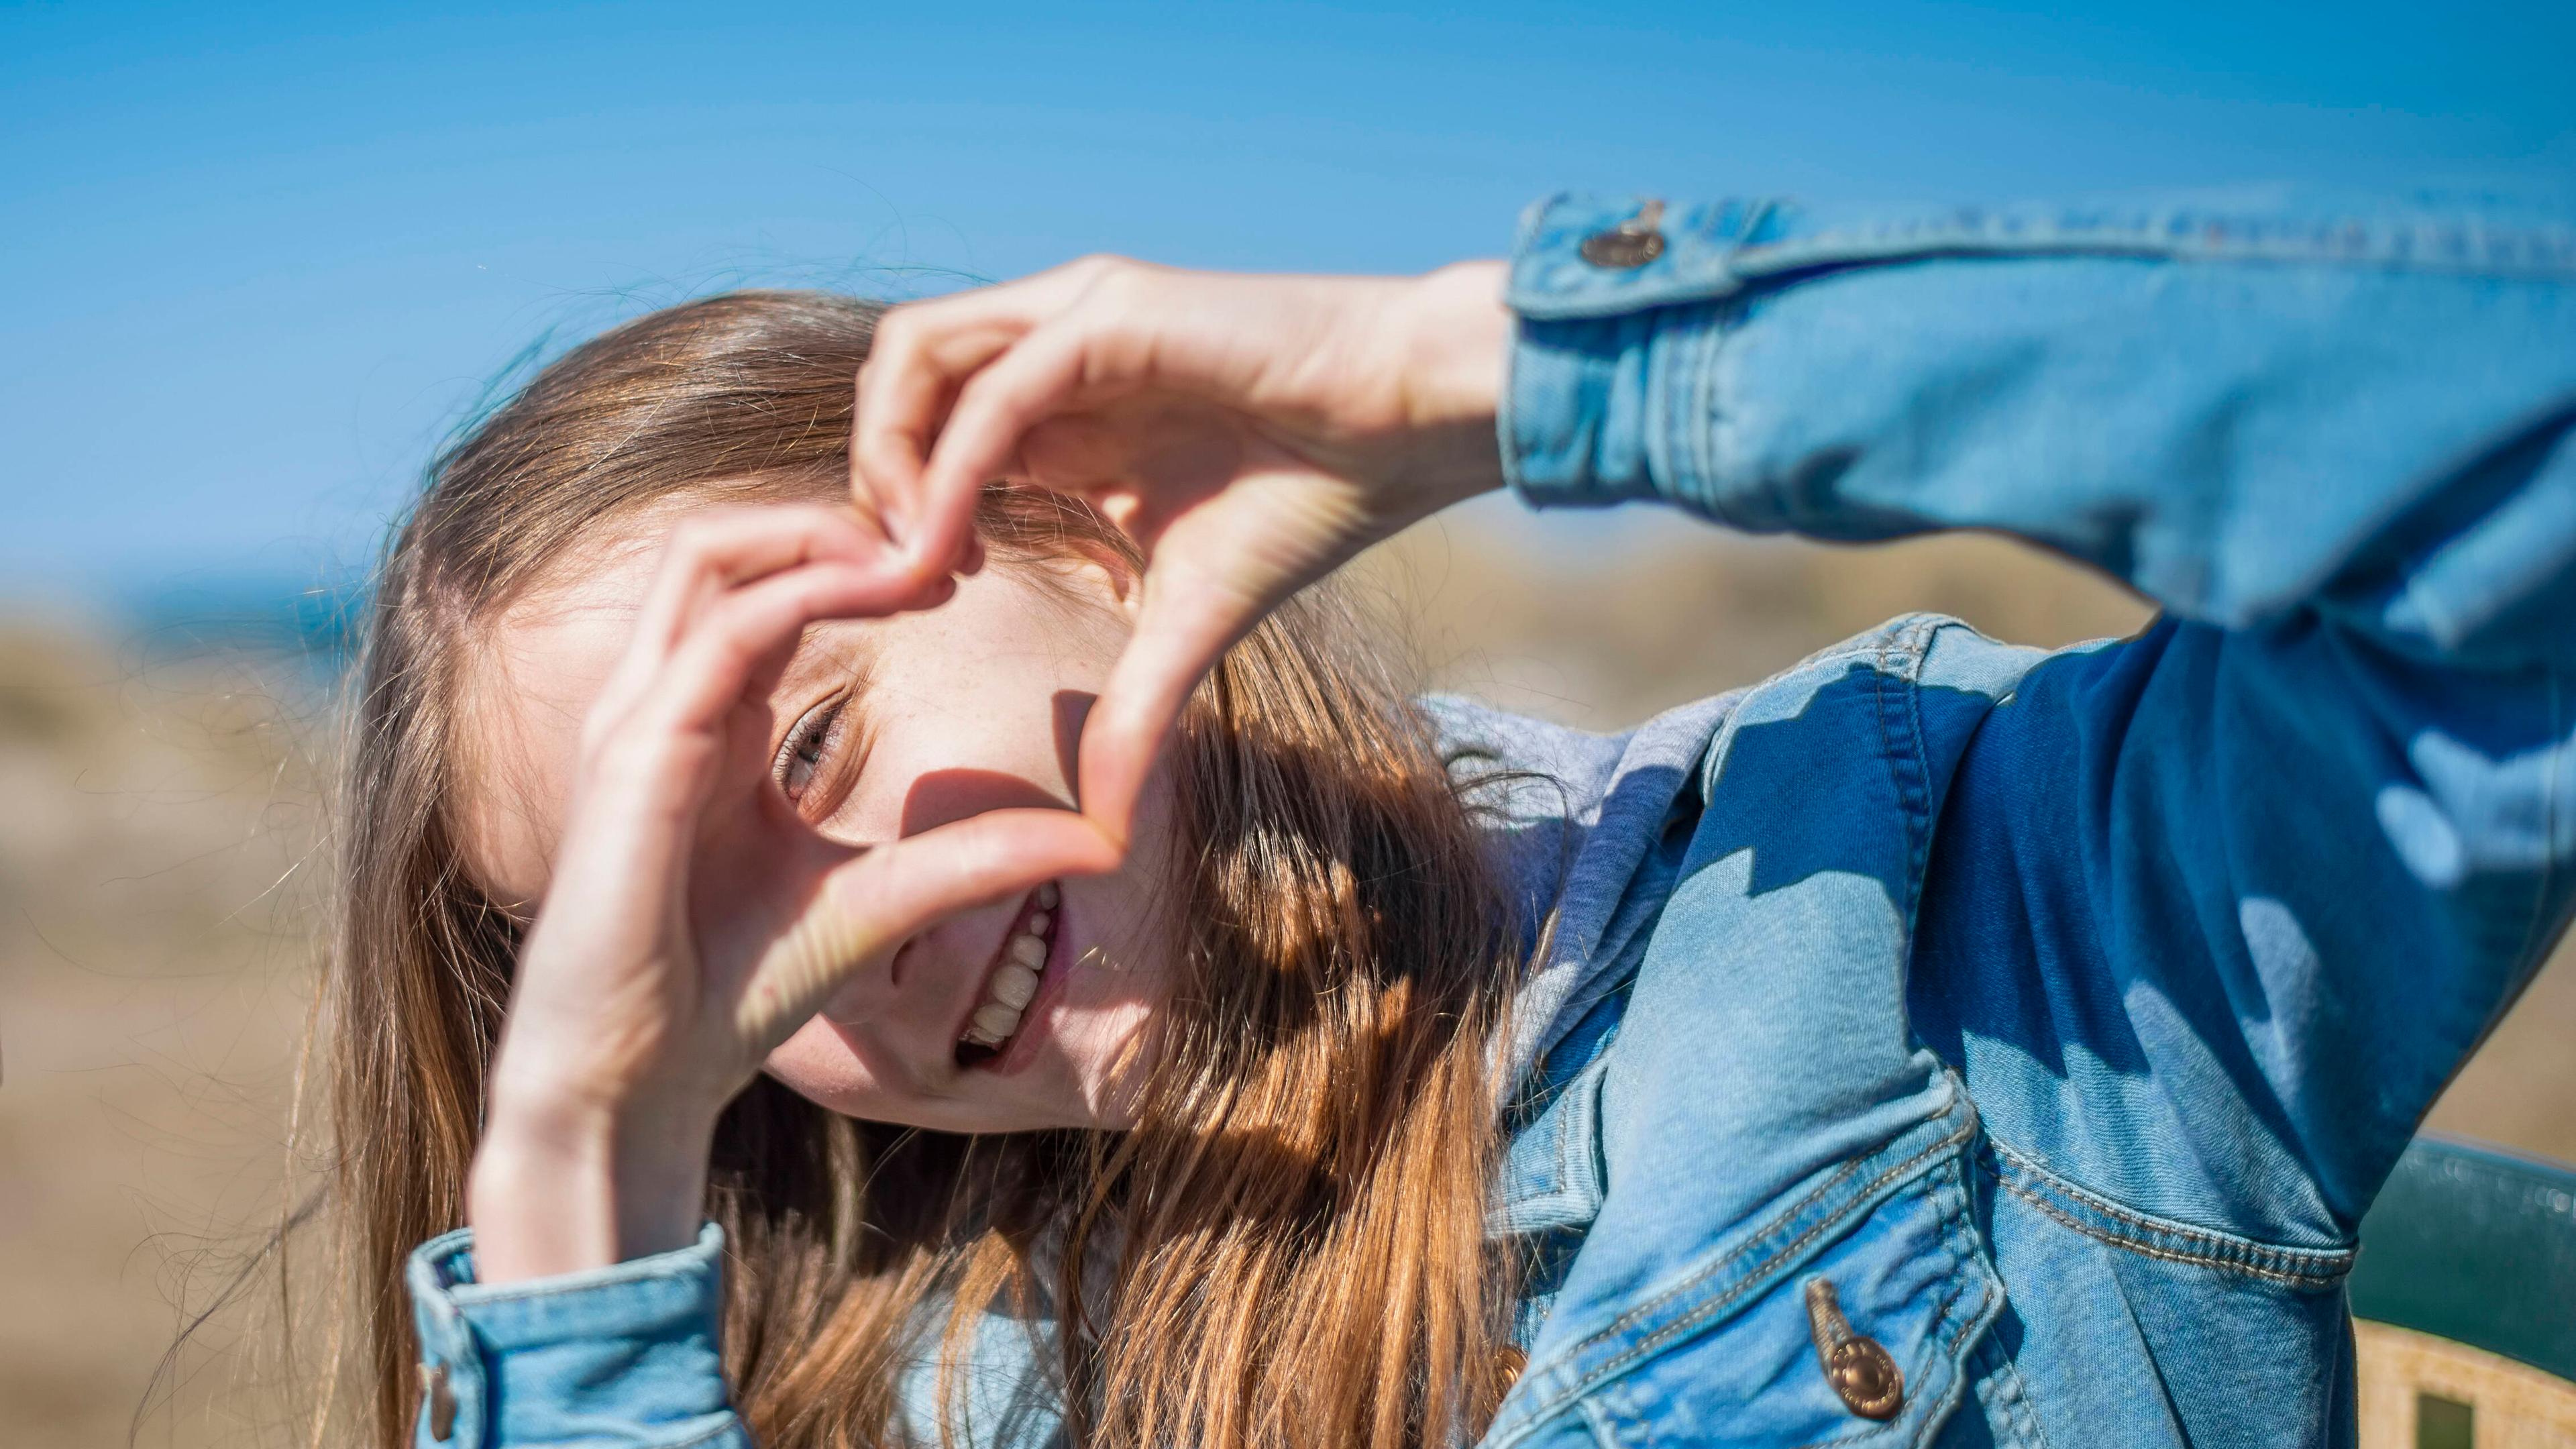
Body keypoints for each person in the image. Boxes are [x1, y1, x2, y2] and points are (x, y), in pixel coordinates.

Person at [335, 189, 2576, 1449]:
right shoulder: (898, 1381)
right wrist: (576, 1206)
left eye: (804, 747)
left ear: (1069, 532)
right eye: (680, 928)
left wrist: (1504, 375)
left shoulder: (1955, 925)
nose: (845, 937)